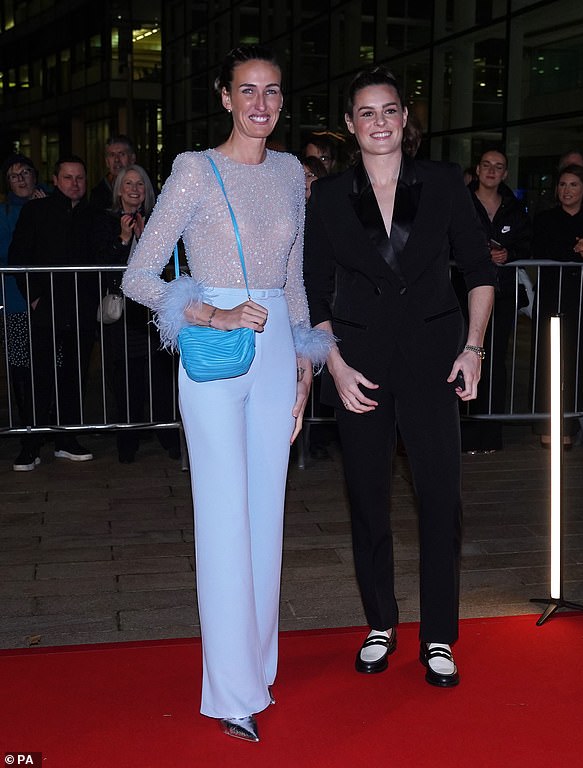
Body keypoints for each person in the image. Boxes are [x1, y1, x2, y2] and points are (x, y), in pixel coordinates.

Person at [121, 44, 333, 742]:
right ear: (224, 97)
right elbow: (139, 276)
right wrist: (210, 312)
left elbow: (295, 278)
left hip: (276, 354)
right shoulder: (192, 171)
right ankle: (229, 692)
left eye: (272, 91)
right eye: (247, 90)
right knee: (223, 520)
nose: (260, 104)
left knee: (266, 516)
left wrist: (305, 365)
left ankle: (257, 667)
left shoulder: (290, 174)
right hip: (215, 352)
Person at [303, 66, 495, 688]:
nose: (379, 122)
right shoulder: (330, 196)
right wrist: (333, 363)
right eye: (366, 112)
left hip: (436, 360)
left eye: (389, 110)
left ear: (405, 118)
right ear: (351, 123)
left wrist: (473, 348)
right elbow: (314, 290)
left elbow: (478, 269)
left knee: (441, 498)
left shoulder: (440, 183)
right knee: (367, 499)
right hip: (359, 364)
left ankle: (439, 635)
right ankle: (380, 622)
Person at [9, 155, 110, 464]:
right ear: (55, 180)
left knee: (75, 376)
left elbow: (102, 258)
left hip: (80, 309)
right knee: (38, 377)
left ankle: (67, 438)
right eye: (68, 177)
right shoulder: (35, 211)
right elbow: (17, 257)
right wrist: (35, 296)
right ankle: (31, 444)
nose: (75, 183)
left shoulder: (95, 215)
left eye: (79, 177)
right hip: (46, 307)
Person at [531, 163, 583, 446]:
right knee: (551, 358)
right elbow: (539, 249)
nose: (567, 190)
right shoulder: (545, 219)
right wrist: (574, 251)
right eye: (563, 184)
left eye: (574, 185)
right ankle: (550, 426)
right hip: (554, 297)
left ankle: (580, 421)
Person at [103, 164, 181, 463]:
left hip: (153, 309)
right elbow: (104, 263)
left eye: (140, 184)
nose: (134, 189)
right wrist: (123, 238)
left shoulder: (159, 221)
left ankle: (168, 437)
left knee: (161, 376)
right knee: (127, 378)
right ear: (119, 189)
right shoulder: (106, 221)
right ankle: (128, 442)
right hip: (123, 313)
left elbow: (171, 262)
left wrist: (147, 235)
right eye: (128, 184)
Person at [460, 148, 531, 453]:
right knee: (461, 358)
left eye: (498, 166)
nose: (491, 170)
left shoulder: (515, 208)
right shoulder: (460, 201)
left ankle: (491, 433)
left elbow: (529, 244)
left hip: (501, 295)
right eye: (486, 165)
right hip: (462, 294)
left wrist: (509, 254)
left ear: (504, 173)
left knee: (495, 360)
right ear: (477, 169)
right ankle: (462, 431)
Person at [0, 154, 48, 470]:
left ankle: (53, 429)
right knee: (21, 369)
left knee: (51, 368)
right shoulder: (3, 213)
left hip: (47, 303)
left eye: (25, 172)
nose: (20, 179)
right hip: (16, 304)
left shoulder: (49, 203)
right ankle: (29, 432)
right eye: (13, 175)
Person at [89, 135, 137, 211]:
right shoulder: (98, 194)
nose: (117, 160)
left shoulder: (145, 188)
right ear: (107, 162)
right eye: (112, 155)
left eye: (121, 154)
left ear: (132, 159)